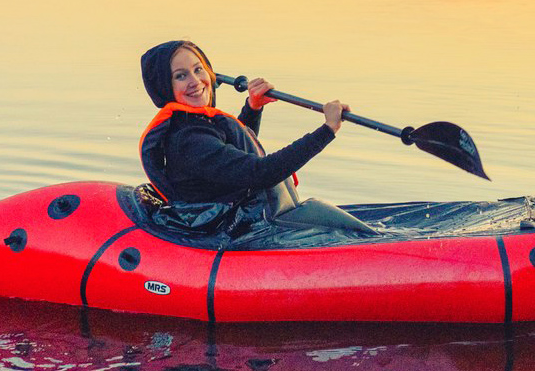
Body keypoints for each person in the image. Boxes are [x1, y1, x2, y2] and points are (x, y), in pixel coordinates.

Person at [137, 40, 374, 235]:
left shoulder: (196, 124)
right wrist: (327, 130)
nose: (195, 81)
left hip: (265, 218)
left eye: (198, 69)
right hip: (243, 231)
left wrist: (253, 108)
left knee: (356, 229)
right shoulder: (188, 140)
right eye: (181, 76)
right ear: (164, 88)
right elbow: (259, 173)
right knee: (361, 236)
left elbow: (234, 160)